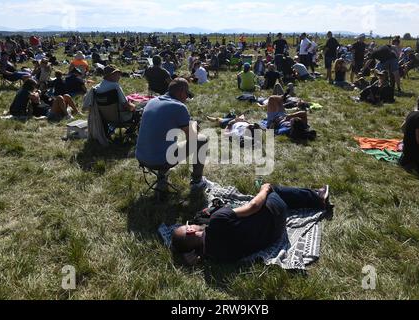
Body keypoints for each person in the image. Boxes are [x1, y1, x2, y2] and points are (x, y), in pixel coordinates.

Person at [171, 183, 330, 264]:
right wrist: (264, 190)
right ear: (191, 231)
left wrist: (195, 259)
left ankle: (306, 199)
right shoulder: (216, 221)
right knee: (274, 190)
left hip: (274, 236)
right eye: (188, 225)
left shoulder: (214, 257)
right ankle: (318, 198)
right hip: (276, 214)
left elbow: (201, 253)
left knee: (276, 199)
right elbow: (253, 206)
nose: (191, 224)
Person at [136, 78, 208, 192]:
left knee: (163, 142)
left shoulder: (152, 101)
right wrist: (194, 126)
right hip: (159, 160)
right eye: (187, 95)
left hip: (141, 155)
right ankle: (197, 181)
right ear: (181, 92)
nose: (186, 99)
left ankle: (161, 178)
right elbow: (192, 139)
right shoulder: (179, 107)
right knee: (202, 140)